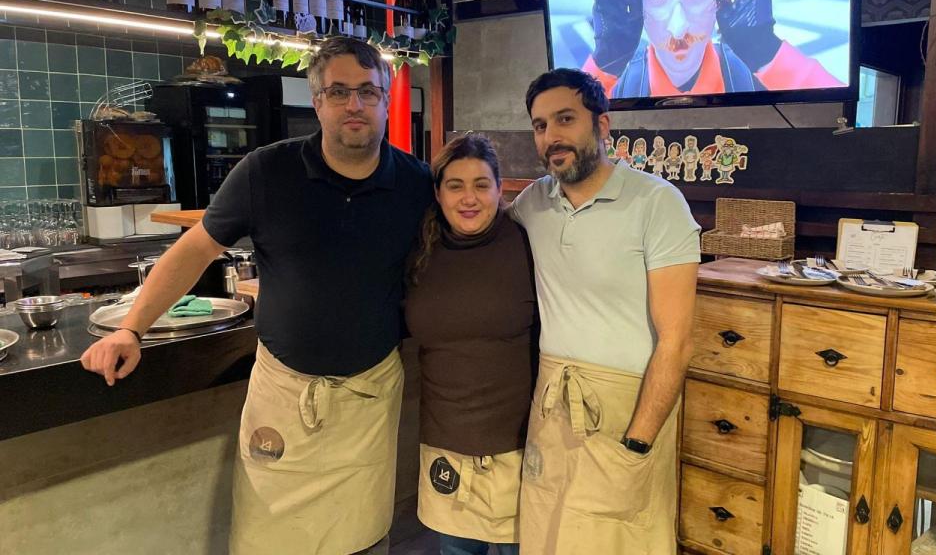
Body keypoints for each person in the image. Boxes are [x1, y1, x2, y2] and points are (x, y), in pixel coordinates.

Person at [80, 37, 433, 555]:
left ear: (383, 99)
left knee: (363, 540)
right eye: (339, 92)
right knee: (267, 540)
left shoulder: (416, 184)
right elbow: (194, 249)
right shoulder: (267, 172)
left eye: (367, 92)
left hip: (369, 400)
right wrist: (133, 326)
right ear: (318, 102)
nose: (354, 105)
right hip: (283, 396)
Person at [511, 68, 700, 554]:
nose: (552, 136)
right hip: (551, 403)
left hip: (627, 408)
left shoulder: (658, 203)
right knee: (545, 536)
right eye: (539, 125)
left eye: (565, 119)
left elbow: (676, 341)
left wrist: (638, 443)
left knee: (619, 540)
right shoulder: (533, 203)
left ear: (601, 125)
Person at [405, 134, 538, 555]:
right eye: (455, 185)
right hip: (446, 441)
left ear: (501, 189)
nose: (469, 197)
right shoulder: (416, 251)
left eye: (481, 184)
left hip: (519, 444)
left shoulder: (528, 243)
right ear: (438, 193)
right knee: (457, 551)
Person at [585, 0, 843, 98]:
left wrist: (768, 55)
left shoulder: (759, 75)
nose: (678, 30)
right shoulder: (618, 85)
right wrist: (604, 64)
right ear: (639, 9)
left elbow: (835, 111)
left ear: (720, 0)